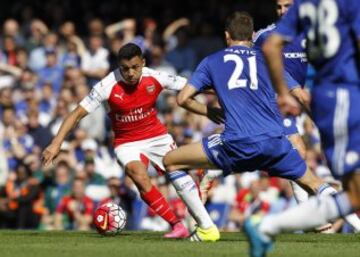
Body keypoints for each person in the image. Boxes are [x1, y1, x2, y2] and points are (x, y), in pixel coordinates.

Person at [162, 11, 339, 243]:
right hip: (276, 143)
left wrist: (210, 111)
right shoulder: (269, 60)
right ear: (252, 36)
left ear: (227, 35)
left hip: (236, 143)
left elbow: (183, 98)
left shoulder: (212, 61)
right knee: (316, 184)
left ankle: (206, 228)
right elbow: (302, 97)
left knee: (171, 161)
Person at [244, 0, 360, 256]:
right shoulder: (349, 6)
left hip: (327, 97)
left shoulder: (306, 11)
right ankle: (273, 226)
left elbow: (273, 47)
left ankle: (270, 226)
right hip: (341, 96)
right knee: (304, 160)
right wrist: (287, 92)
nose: (283, 10)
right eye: (278, 6)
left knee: (350, 190)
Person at [42, 43, 189, 238]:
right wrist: (56, 143)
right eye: (125, 68)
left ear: (143, 63)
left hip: (156, 136)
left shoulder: (156, 76)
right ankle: (177, 225)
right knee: (137, 174)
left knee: (180, 177)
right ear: (119, 66)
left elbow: (191, 86)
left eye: (135, 67)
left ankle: (202, 219)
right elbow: (76, 113)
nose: (130, 73)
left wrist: (228, 94)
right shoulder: (107, 85)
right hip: (126, 141)